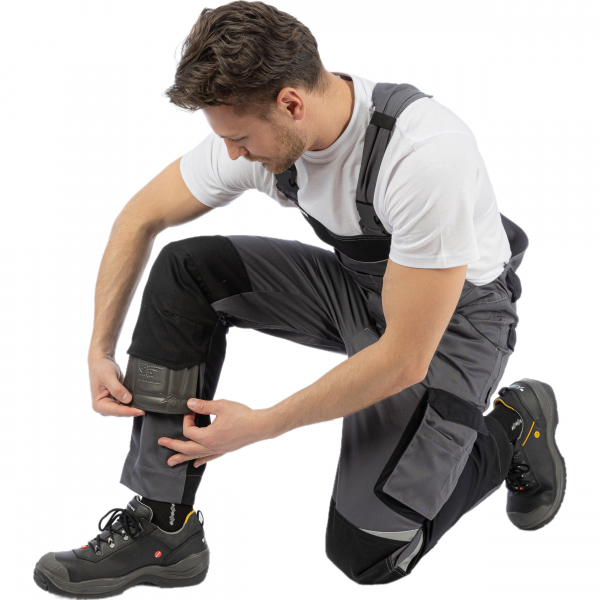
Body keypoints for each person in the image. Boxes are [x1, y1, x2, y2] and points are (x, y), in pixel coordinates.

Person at [33, 1, 566, 597]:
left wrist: (260, 425)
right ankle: (163, 528)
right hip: (358, 288)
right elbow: (139, 218)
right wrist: (99, 349)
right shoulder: (265, 134)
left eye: (239, 138)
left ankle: (513, 428)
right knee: (190, 269)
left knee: (369, 552)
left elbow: (404, 358)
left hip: (453, 323)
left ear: (291, 103)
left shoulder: (424, 154)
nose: (232, 154)